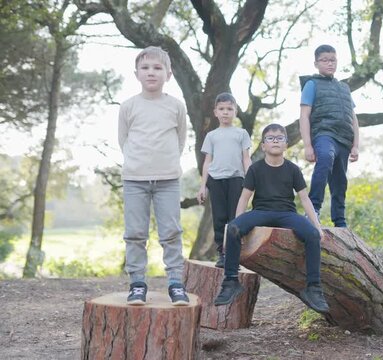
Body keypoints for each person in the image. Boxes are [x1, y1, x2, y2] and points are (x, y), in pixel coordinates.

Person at [213, 123, 329, 313]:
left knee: (312, 235)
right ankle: (231, 281)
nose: (275, 141)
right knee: (233, 228)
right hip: (261, 212)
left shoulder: (293, 169)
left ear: (286, 144)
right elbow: (244, 197)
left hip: (287, 213)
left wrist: (316, 225)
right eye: (270, 138)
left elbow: (305, 199)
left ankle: (313, 288)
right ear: (264, 145)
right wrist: (234, 224)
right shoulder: (255, 169)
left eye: (279, 138)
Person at [118, 46, 190, 305]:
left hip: (168, 180)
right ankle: (137, 283)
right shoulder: (128, 107)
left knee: (171, 232)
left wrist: (165, 163)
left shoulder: (176, 106)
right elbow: (123, 140)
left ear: (168, 74)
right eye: (146, 67)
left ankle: (175, 283)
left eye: (158, 68)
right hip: (134, 180)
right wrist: (139, 164)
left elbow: (180, 140)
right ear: (136, 73)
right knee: (135, 233)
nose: (151, 72)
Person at [299, 44, 359, 228]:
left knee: (340, 181)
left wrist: (356, 145)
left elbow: (353, 119)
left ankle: (340, 221)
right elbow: (304, 116)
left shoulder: (344, 88)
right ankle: (313, 210)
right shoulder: (312, 84)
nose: (329, 63)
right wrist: (307, 145)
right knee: (325, 158)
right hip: (323, 134)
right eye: (324, 60)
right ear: (316, 63)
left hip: (344, 139)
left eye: (332, 60)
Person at [197, 92, 252, 268]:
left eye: (229, 109)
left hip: (236, 179)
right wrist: (203, 186)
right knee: (219, 218)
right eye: (221, 109)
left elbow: (246, 159)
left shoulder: (241, 133)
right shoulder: (212, 136)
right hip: (216, 180)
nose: (225, 112)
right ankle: (222, 253)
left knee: (235, 217)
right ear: (215, 112)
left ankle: (234, 253)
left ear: (235, 111)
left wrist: (251, 181)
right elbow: (207, 162)